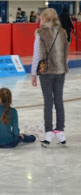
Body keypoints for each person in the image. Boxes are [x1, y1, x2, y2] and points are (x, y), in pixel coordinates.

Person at [31, 8, 69, 147]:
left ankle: (48, 132)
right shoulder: (63, 33)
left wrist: (33, 74)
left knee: (48, 102)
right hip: (60, 71)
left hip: (46, 72)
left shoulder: (40, 33)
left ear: (45, 19)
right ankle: (60, 132)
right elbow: (66, 55)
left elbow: (37, 55)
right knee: (59, 100)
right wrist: (62, 66)